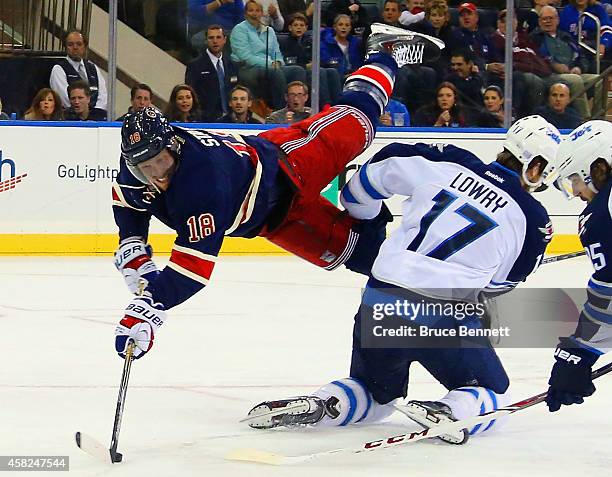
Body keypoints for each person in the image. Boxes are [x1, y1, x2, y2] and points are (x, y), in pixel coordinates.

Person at [112, 24, 438, 360]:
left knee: (360, 120)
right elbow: (126, 200)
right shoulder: (139, 159)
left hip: (291, 162)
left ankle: (384, 53)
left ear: (174, 147)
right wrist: (132, 245)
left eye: (160, 164)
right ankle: (432, 288)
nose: (155, 175)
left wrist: (150, 305)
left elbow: (191, 272)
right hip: (276, 221)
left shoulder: (203, 182)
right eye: (143, 169)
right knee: (361, 256)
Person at [243, 115, 561, 443]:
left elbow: (361, 185)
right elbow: (496, 287)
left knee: (377, 392)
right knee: (493, 392)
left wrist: (368, 221)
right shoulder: (533, 220)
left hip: (381, 295)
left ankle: (327, 403)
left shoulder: (449, 160)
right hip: (442, 312)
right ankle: (450, 411)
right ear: (535, 167)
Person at [545, 120, 612, 412]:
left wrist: (578, 353)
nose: (574, 191)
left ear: (595, 166)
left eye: (574, 178)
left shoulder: (600, 214)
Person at [230, 0, 307, 110]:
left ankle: (297, 108)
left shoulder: (269, 30)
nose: (254, 13)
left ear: (262, 13)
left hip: (270, 66)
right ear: (245, 14)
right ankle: (280, 110)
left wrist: (279, 62)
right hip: (247, 67)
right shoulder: (239, 30)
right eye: (251, 10)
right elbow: (245, 56)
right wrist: (271, 63)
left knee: (297, 70)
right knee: (275, 71)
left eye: (257, 10)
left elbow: (276, 52)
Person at [185, 25, 238, 122]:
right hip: (205, 120)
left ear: (224, 40)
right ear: (206, 40)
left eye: (218, 37)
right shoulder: (195, 66)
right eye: (211, 38)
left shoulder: (232, 65)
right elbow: (191, 94)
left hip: (231, 120)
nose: (215, 41)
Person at [50, 30, 108, 114]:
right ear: (65, 47)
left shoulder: (93, 68)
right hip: (71, 119)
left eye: (79, 44)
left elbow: (103, 95)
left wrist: (94, 113)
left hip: (95, 119)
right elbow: (64, 99)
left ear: (85, 47)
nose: (75, 47)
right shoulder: (59, 69)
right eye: (70, 44)